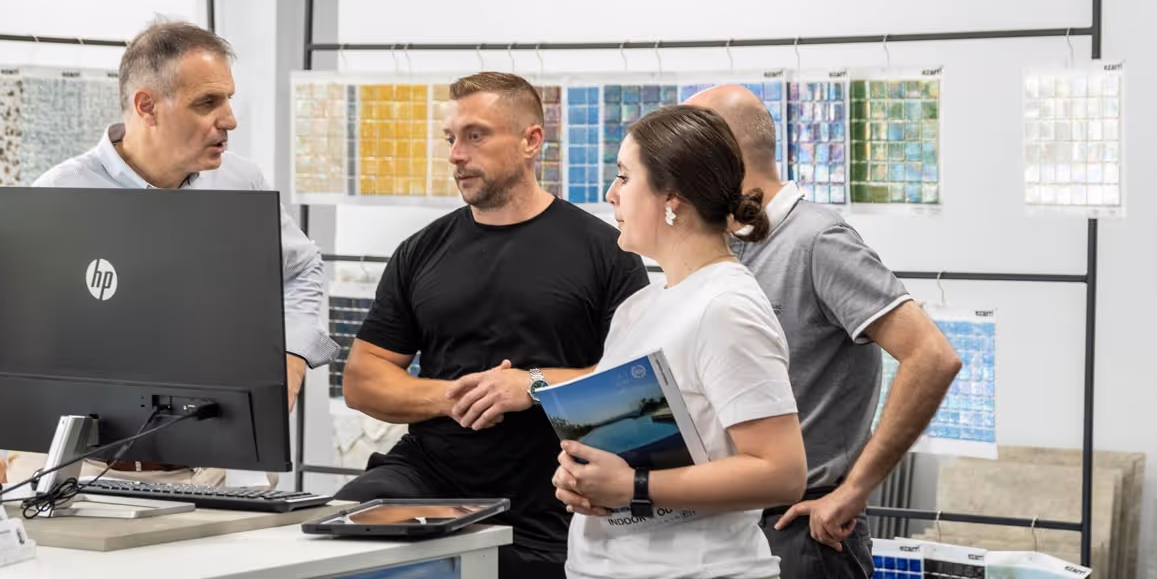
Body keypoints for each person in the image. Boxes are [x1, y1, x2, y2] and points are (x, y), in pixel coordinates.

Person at [337, 72, 649, 579]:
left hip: (553, 502)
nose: (457, 155)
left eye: (475, 136)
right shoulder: (420, 252)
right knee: (330, 537)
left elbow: (637, 388)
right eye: (451, 139)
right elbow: (363, 379)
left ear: (530, 141)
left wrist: (533, 385)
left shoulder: (606, 253)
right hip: (429, 477)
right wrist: (451, 397)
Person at [31, 20, 338, 485]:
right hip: (89, 471)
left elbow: (301, 266)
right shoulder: (59, 195)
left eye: (228, 99)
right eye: (207, 103)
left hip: (217, 464)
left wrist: (292, 356)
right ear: (147, 106)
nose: (230, 119)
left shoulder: (240, 182)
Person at [687, 85, 962, 578]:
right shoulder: (726, 250)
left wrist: (853, 490)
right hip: (730, 525)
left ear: (719, 152)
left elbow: (932, 357)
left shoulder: (816, 241)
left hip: (802, 533)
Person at [553, 104, 807, 579]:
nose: (610, 194)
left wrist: (635, 485)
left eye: (624, 177)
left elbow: (781, 472)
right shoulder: (640, 307)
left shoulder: (725, 307)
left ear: (672, 196)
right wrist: (583, 479)